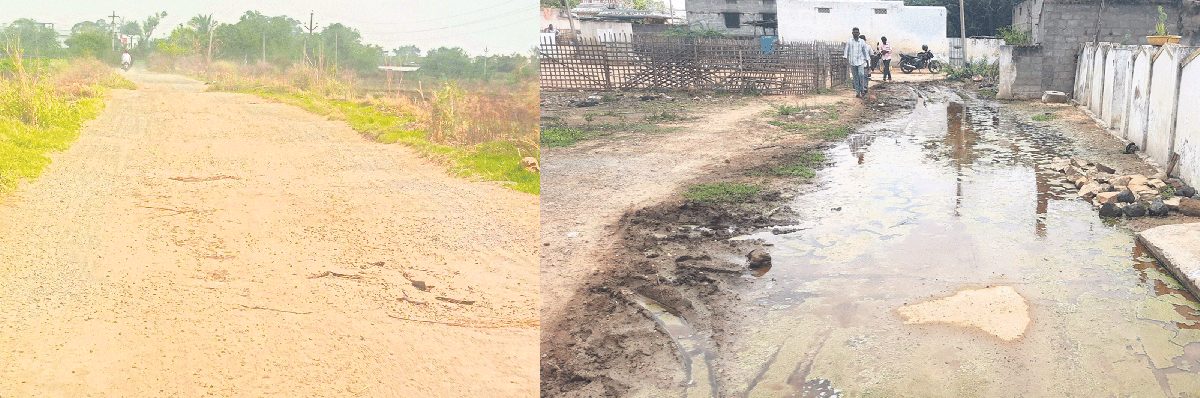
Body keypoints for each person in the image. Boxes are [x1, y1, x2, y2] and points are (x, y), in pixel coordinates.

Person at [843, 27, 870, 98]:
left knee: (861, 75)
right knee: (855, 77)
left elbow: (865, 52)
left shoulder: (862, 42)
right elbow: (846, 51)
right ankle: (857, 92)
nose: (855, 33)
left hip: (861, 62)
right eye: (854, 32)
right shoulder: (849, 41)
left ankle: (862, 90)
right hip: (852, 62)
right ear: (852, 33)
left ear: (859, 33)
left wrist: (867, 61)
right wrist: (845, 59)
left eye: (857, 32)